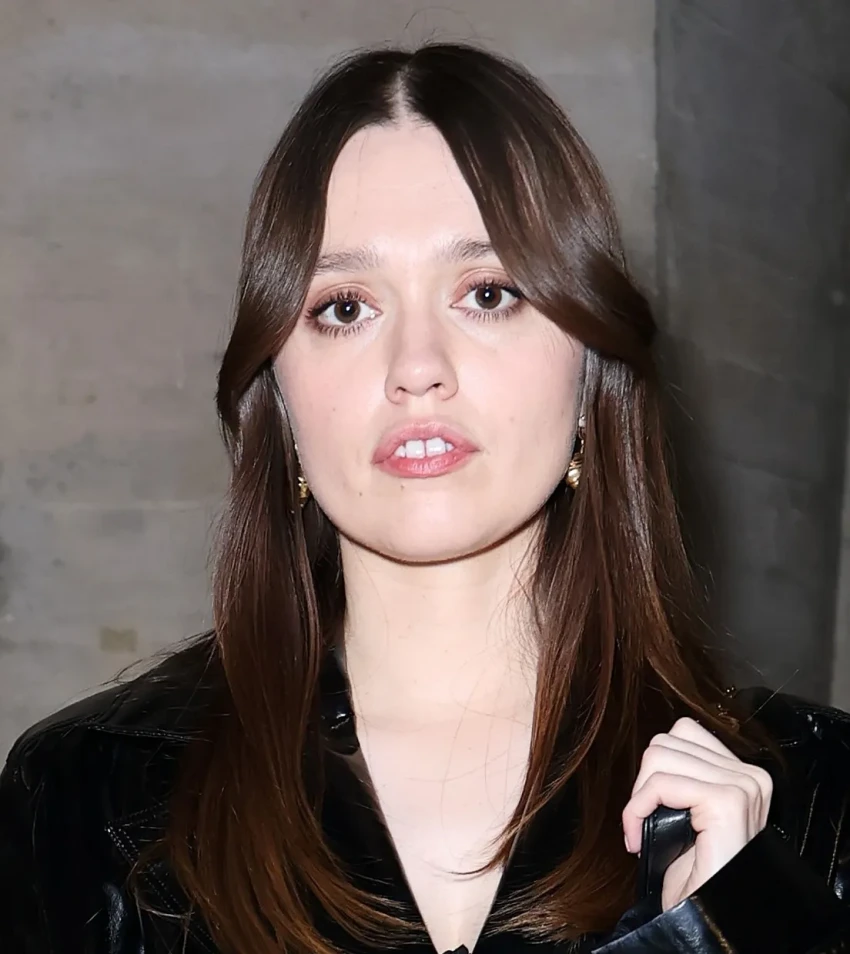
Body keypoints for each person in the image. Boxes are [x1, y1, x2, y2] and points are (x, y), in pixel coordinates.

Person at [1, 42, 848, 954]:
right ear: (278, 394)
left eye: (487, 294)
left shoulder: (812, 801)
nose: (416, 368)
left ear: (590, 369)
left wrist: (737, 927)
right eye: (344, 308)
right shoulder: (87, 795)